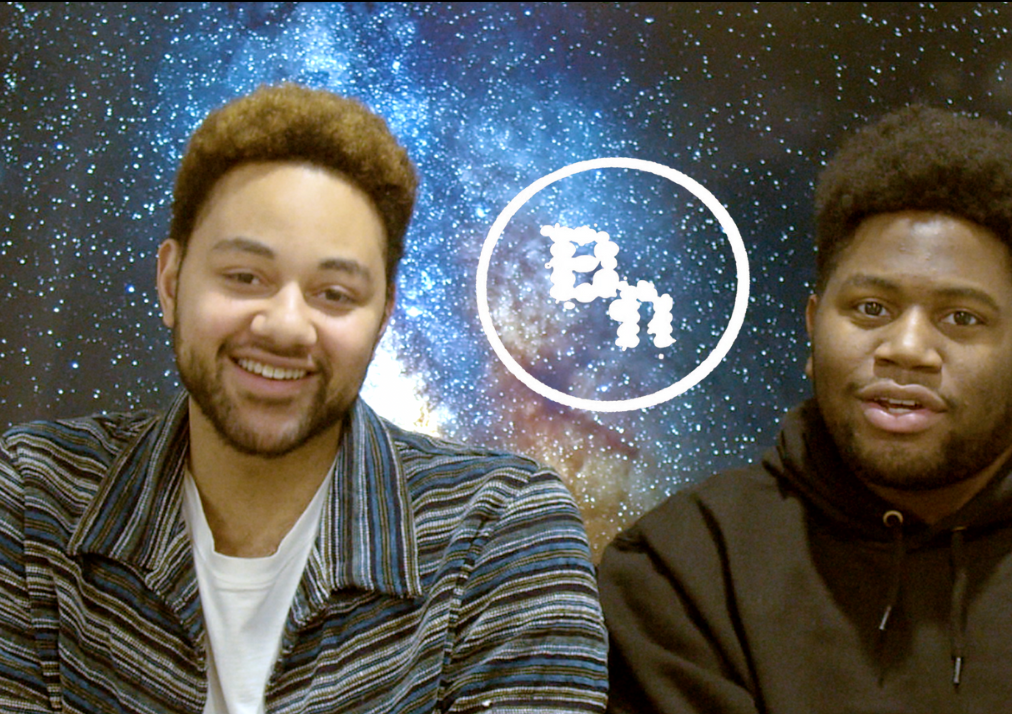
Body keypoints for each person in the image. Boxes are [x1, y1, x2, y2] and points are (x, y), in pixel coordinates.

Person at [598, 105, 1012, 713]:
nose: (907, 349)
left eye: (961, 318)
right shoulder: (686, 570)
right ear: (812, 326)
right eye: (871, 308)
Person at [0, 84, 607, 713]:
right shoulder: (35, 494)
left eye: (334, 294)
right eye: (245, 277)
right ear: (171, 282)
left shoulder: (500, 530)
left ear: (383, 317)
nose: (286, 327)